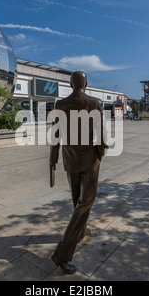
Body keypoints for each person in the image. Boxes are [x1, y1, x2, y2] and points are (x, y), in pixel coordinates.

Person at [49, 71, 108, 274]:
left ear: (70, 83)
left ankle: (81, 231)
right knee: (85, 203)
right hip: (90, 159)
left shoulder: (60, 104)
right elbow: (101, 135)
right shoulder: (95, 102)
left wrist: (52, 158)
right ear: (86, 83)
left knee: (77, 199)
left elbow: (55, 135)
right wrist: (101, 152)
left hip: (70, 158)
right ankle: (62, 254)